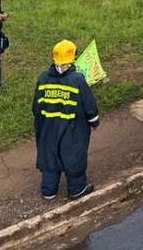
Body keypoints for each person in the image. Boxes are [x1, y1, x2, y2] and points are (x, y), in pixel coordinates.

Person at [32, 40, 99, 200]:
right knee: (73, 157)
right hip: (72, 129)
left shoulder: (43, 78)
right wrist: (94, 121)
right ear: (73, 57)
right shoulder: (77, 80)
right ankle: (77, 189)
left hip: (47, 129)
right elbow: (89, 106)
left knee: (50, 157)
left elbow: (35, 107)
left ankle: (49, 190)